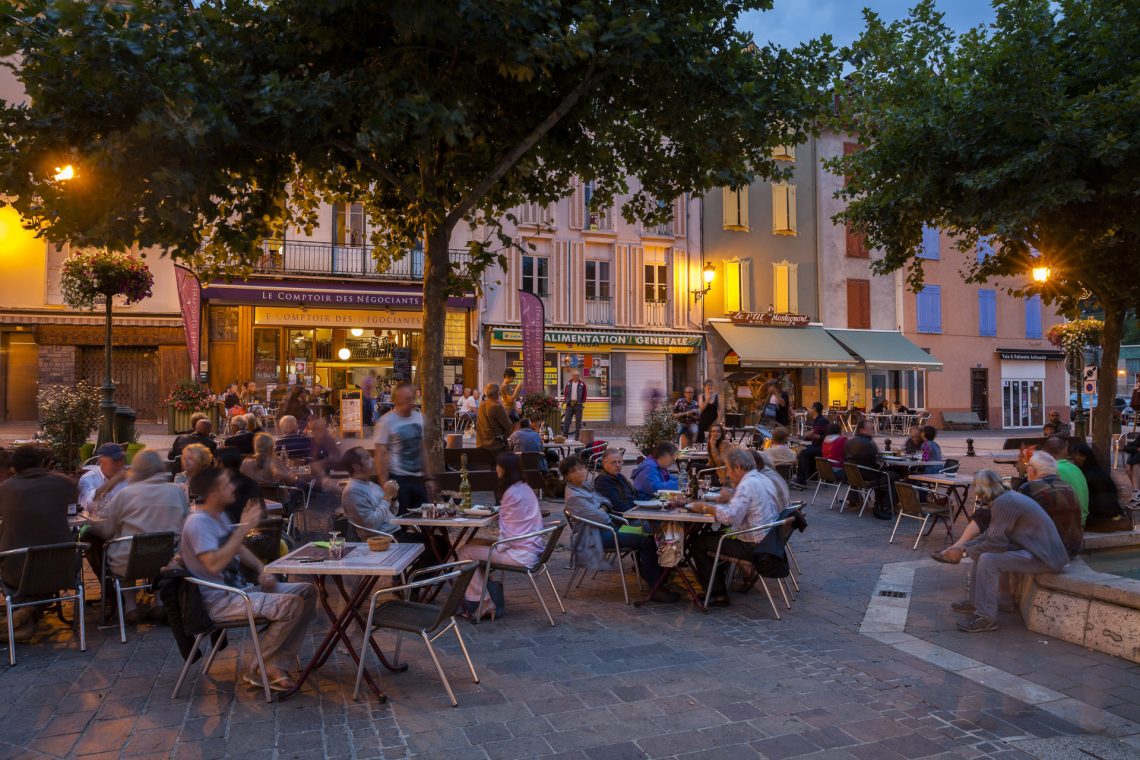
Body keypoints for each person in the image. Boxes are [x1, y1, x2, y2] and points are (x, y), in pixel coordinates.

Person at [179, 468, 316, 692]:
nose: (233, 487)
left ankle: (273, 663)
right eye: (226, 485)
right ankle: (261, 667)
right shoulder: (198, 523)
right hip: (223, 601)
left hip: (243, 590)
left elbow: (238, 549)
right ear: (213, 493)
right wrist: (243, 529)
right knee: (291, 605)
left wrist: (261, 569)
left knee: (306, 592)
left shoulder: (219, 515)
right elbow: (214, 564)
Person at [953, 470, 1069, 633]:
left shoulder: (1003, 502)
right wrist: (963, 547)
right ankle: (975, 603)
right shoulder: (1008, 497)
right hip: (1037, 551)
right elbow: (991, 535)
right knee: (982, 553)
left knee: (988, 559)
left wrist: (965, 552)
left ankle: (987, 617)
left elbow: (995, 543)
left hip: (1044, 557)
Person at [560, 455, 677, 603]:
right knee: (645, 542)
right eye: (574, 471)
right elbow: (603, 518)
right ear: (567, 476)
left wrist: (602, 507)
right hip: (596, 535)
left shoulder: (584, 486)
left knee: (649, 535)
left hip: (607, 528)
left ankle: (657, 579)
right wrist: (602, 509)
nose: (581, 472)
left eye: (582, 468)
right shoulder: (574, 496)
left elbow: (605, 501)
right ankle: (655, 587)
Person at [91, 450, 189, 623]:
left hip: (129, 561)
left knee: (123, 548)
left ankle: (130, 607)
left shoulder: (126, 494)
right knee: (157, 549)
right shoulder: (176, 492)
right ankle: (158, 603)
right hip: (168, 558)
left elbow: (107, 530)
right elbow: (186, 522)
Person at [687, 448, 781, 605]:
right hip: (768, 541)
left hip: (754, 546)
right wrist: (731, 497)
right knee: (710, 537)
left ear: (737, 467)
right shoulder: (761, 479)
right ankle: (718, 583)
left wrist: (705, 508)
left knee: (698, 543)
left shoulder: (747, 484)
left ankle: (717, 593)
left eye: (728, 469)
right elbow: (743, 508)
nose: (728, 474)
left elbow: (729, 517)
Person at [456, 453, 545, 618]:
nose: (496, 469)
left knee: (464, 552)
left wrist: (495, 546)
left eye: (498, 466)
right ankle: (487, 590)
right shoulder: (525, 487)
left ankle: (484, 601)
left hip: (520, 553)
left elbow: (508, 534)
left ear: (504, 470)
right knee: (475, 542)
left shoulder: (511, 493)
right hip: (532, 547)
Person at [0, 445, 75, 640]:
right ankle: (29, 612)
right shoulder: (63, 484)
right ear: (41, 462)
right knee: (41, 562)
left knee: (16, 559)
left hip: (18, 572)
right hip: (63, 569)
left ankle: (24, 612)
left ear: (14, 468)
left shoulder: (6, 489)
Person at [375, 382, 435, 515]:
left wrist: (428, 477)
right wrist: (385, 484)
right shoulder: (387, 421)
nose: (409, 403)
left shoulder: (419, 418)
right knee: (401, 520)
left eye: (411, 398)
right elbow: (381, 455)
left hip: (418, 478)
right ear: (397, 400)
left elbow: (423, 449)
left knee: (425, 519)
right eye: (405, 399)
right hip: (398, 479)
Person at [1019, 451, 1083, 558]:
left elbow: (1013, 518)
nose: (1026, 470)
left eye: (1027, 466)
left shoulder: (1029, 488)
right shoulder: (1067, 486)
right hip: (1071, 550)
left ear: (1032, 469)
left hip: (1047, 552)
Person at [338, 447, 399, 539]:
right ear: (356, 466)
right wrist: (387, 497)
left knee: (426, 538)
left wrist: (393, 498)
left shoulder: (372, 485)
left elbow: (392, 513)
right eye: (367, 458)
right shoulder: (352, 491)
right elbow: (372, 524)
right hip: (384, 538)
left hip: (395, 532)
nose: (373, 460)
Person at [1070, 443, 1131, 532]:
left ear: (1087, 457)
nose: (1076, 457)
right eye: (1075, 454)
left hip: (1099, 517)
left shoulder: (1090, 476)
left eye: (1080, 455)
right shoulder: (1097, 472)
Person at [844, 418, 894, 518]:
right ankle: (885, 504)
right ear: (862, 430)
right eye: (870, 429)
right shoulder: (868, 443)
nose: (872, 431)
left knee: (884, 474)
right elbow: (876, 459)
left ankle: (880, 502)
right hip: (866, 474)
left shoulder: (849, 442)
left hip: (853, 474)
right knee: (892, 475)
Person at [1041, 437, 1089, 526]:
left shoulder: (1050, 469)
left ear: (1045, 453)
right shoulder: (1075, 468)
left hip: (1067, 525)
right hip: (1081, 520)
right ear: (1065, 450)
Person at [78, 442, 129, 516]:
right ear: (101, 461)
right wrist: (112, 482)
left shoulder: (126, 478)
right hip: (93, 525)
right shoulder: (88, 478)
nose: (119, 464)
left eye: (121, 460)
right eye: (115, 460)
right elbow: (86, 506)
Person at [215, 446, 262, 524]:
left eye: (215, 462)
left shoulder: (218, 486)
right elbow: (260, 514)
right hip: (249, 530)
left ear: (221, 464)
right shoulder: (252, 484)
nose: (214, 466)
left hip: (224, 531)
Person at [795, 403, 829, 487]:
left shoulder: (822, 421)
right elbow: (814, 435)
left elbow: (825, 436)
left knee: (803, 452)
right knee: (805, 449)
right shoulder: (817, 420)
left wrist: (811, 435)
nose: (809, 410)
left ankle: (801, 480)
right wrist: (805, 437)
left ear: (814, 409)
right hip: (816, 445)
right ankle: (811, 475)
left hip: (822, 448)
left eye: (811, 408)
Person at [594, 449, 637, 513]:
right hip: (623, 517)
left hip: (634, 509)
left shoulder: (619, 476)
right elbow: (617, 505)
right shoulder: (603, 481)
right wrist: (637, 512)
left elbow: (634, 493)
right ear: (604, 463)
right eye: (614, 462)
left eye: (619, 462)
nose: (618, 465)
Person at [476, 383, 513, 452]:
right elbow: (508, 425)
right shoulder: (497, 406)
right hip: (495, 445)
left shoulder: (481, 405)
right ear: (497, 393)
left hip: (481, 444)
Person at [562, 370, 587, 439]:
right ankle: (565, 437)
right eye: (575, 375)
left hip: (578, 404)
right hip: (569, 404)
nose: (577, 377)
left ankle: (577, 437)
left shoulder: (582, 384)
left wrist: (583, 401)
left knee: (578, 422)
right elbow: (565, 393)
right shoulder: (569, 384)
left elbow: (585, 393)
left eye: (578, 375)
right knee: (567, 420)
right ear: (572, 376)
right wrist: (566, 400)